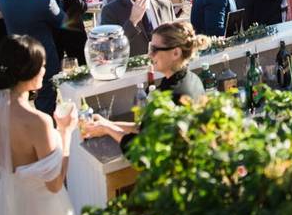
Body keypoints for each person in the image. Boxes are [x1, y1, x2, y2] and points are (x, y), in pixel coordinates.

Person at [0, 35, 76, 215]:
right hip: (42, 211)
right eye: (42, 65)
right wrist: (65, 132)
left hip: (8, 204)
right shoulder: (38, 122)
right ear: (28, 71)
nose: (44, 70)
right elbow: (54, 185)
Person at [82, 21, 209, 149]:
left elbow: (142, 148)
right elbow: (145, 128)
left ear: (176, 53)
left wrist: (107, 129)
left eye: (154, 49)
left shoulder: (171, 95)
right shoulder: (192, 79)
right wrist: (107, 124)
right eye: (150, 48)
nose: (149, 54)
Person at [0, 0, 65, 114]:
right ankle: (45, 128)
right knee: (46, 98)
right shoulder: (45, 1)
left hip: (16, 58)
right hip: (43, 57)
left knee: (19, 96)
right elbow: (64, 21)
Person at [99, 0, 175, 57]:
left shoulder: (165, 6)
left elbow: (174, 41)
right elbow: (109, 49)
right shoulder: (111, 11)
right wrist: (132, 22)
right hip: (132, 70)